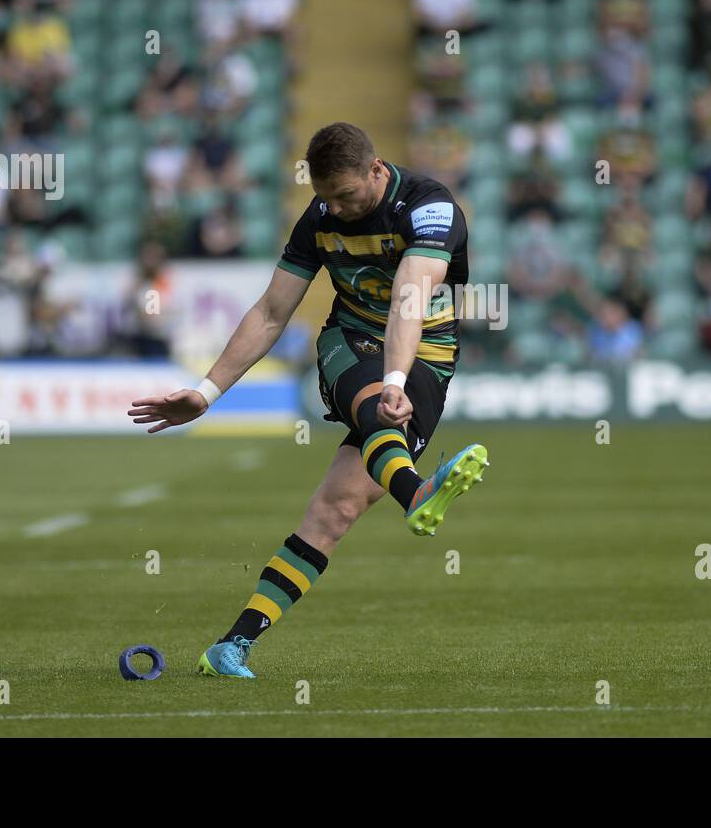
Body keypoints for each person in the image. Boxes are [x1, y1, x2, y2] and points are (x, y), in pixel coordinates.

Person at [127, 123, 489, 679]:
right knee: (375, 411)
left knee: (335, 511)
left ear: (375, 169)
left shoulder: (429, 208)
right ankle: (417, 491)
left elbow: (409, 298)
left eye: (345, 196)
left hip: (425, 353)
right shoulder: (319, 219)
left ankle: (229, 648)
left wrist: (398, 376)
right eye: (325, 197)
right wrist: (206, 392)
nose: (337, 209)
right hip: (349, 342)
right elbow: (272, 312)